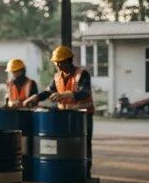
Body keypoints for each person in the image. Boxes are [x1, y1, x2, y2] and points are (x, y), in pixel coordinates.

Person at [23, 45, 95, 174]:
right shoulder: (57, 77)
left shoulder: (82, 75)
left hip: (82, 116)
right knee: (65, 144)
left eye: (60, 62)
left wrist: (67, 94)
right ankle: (66, 171)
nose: (57, 65)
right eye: (56, 62)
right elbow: (48, 92)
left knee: (84, 144)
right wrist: (36, 97)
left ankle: (85, 171)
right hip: (64, 116)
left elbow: (85, 92)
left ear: (68, 61)